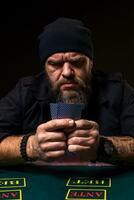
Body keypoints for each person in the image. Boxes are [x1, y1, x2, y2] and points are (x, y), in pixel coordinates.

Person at [0, 17, 134, 166]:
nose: (67, 72)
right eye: (55, 64)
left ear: (91, 64)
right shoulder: (25, 91)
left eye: (77, 62)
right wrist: (31, 146)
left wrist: (102, 147)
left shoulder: (118, 90)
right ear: (45, 67)